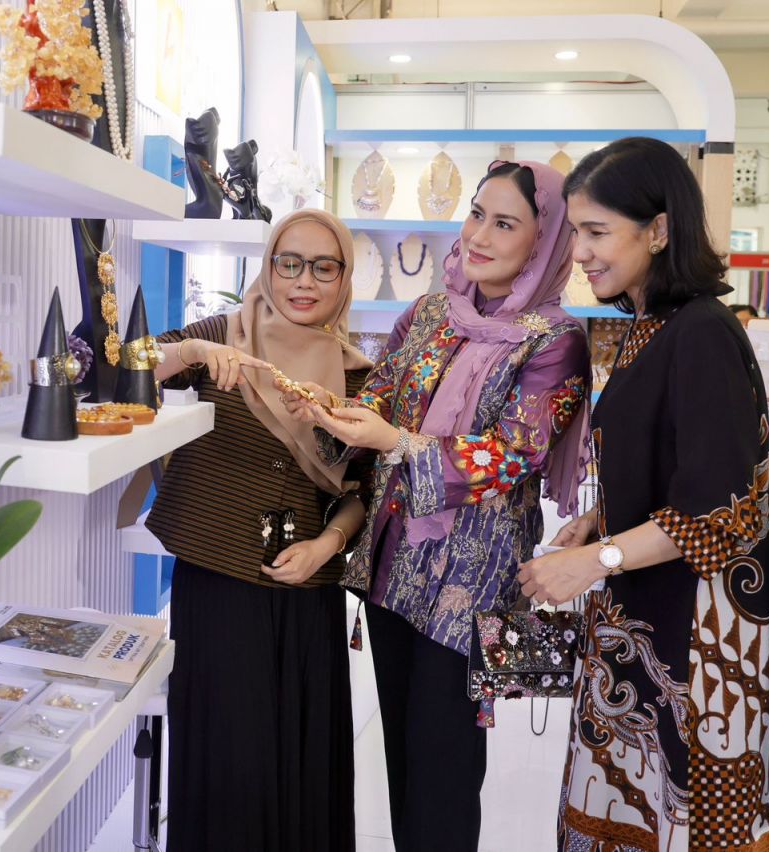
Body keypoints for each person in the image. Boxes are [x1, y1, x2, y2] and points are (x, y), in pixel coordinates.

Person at [284, 161, 591, 852]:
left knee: (444, 769)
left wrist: (395, 440)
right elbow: (381, 394)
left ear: (544, 240)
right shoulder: (430, 313)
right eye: (477, 213)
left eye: (504, 223)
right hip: (394, 568)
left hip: (471, 588)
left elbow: (516, 452)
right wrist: (331, 411)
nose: (478, 235)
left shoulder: (556, 342)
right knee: (401, 754)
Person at [520, 137, 769, 851]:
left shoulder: (702, 332)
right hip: (653, 617)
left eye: (597, 232)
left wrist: (594, 562)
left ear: (657, 229)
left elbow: (721, 510)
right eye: (576, 233)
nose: (581, 253)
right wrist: (598, 520)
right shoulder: (653, 326)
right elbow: (672, 461)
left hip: (702, 640)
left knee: (688, 820)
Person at [146, 208, 373, 852]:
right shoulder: (222, 334)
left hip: (306, 595)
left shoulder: (358, 375)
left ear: (344, 278)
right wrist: (193, 352)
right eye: (288, 263)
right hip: (217, 585)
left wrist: (326, 545)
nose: (304, 281)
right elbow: (125, 363)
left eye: (323, 268)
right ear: (268, 266)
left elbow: (362, 494)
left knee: (301, 758)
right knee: (228, 756)